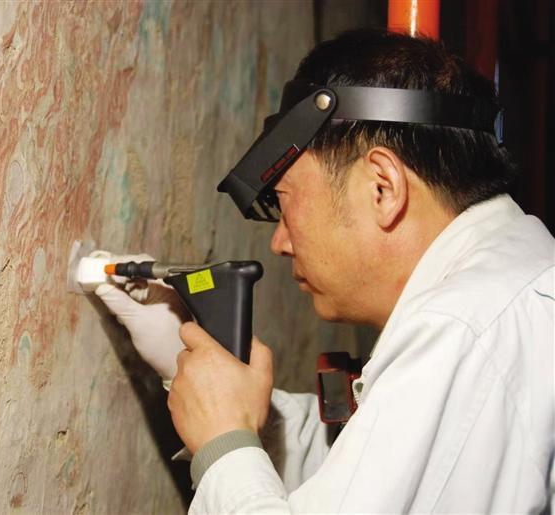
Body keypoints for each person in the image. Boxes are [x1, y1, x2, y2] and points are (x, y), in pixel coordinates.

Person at [95, 29, 555, 513]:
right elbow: (360, 473)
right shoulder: (504, 291)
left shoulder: (464, 329)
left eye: (285, 201)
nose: (279, 242)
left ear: (382, 188)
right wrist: (206, 386)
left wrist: (224, 443)